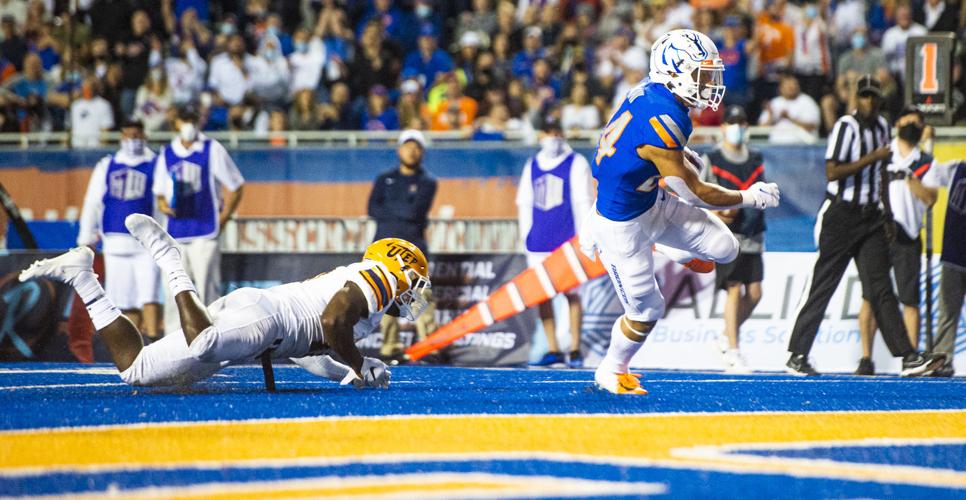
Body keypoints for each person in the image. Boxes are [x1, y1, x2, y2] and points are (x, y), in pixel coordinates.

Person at [580, 29, 781, 395]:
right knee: (647, 310)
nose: (710, 84)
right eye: (702, 75)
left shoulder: (654, 93)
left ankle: (667, 246)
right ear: (674, 72)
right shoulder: (666, 114)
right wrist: (749, 197)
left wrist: (668, 158)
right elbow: (696, 193)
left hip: (648, 200)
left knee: (726, 249)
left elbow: (635, 145)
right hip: (621, 227)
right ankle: (611, 370)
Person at [20, 214, 431, 389]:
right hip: (266, 319)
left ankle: (82, 277)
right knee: (204, 343)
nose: (416, 291)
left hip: (263, 330)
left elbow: (312, 350)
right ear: (396, 266)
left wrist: (347, 373)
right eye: (415, 279)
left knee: (136, 371)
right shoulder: (375, 279)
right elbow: (331, 324)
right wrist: (358, 363)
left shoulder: (368, 311)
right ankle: (170, 258)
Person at [786, 75, 941, 377]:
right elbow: (832, 172)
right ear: (857, 99)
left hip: (871, 217)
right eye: (864, 97)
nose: (869, 102)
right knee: (824, 285)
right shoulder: (847, 127)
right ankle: (797, 353)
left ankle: (907, 356)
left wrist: (886, 214)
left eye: (873, 97)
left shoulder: (883, 127)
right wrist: (873, 157)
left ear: (880, 100)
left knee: (881, 287)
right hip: (842, 215)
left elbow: (881, 175)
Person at [855, 107, 939, 375]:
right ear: (898, 122)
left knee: (909, 299)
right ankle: (866, 357)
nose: (911, 124)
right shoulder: (883, 153)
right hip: (877, 231)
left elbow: (931, 198)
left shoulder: (925, 160)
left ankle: (911, 358)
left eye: (917, 121)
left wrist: (914, 183)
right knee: (871, 297)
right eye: (907, 119)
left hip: (908, 235)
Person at [154, 106, 245, 333]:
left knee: (207, 291)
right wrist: (165, 206)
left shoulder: (211, 149)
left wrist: (223, 219)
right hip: (176, 231)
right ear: (176, 123)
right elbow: (160, 194)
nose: (188, 126)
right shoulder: (166, 153)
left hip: (205, 230)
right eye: (184, 120)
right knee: (174, 290)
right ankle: (173, 341)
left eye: (192, 120)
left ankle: (214, 337)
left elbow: (236, 185)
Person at [517, 115, 594, 368]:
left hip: (567, 241)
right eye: (548, 131)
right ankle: (552, 348)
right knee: (543, 296)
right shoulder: (532, 164)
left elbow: (583, 201)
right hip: (538, 243)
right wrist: (526, 237)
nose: (553, 136)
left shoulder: (576, 162)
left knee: (572, 294)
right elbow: (525, 203)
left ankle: (574, 349)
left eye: (557, 130)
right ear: (541, 134)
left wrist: (583, 238)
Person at [76, 120, 161, 340]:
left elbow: (162, 202)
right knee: (124, 300)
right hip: (115, 242)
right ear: (121, 137)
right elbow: (93, 202)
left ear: (145, 136)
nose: (132, 140)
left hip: (146, 243)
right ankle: (134, 349)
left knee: (150, 295)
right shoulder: (107, 165)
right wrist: (86, 235)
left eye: (137, 134)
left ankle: (152, 340)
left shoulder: (156, 163)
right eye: (128, 135)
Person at [700, 106, 766, 374]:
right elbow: (700, 194)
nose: (736, 128)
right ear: (724, 127)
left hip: (752, 231)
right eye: (732, 123)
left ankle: (728, 337)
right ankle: (735, 352)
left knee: (755, 293)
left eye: (741, 122)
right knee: (734, 288)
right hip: (727, 234)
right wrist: (718, 214)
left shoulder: (755, 158)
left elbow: (760, 190)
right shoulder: (713, 158)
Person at [367, 130, 438, 361]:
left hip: (413, 249)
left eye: (417, 147)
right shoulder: (383, 178)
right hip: (384, 249)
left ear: (423, 152)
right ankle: (390, 347)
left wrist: (391, 209)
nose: (412, 151)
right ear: (399, 150)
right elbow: (372, 209)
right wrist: (400, 209)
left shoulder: (428, 182)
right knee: (386, 299)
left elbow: (414, 211)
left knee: (420, 296)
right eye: (408, 146)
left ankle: (428, 346)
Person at [930, 160, 966, 377]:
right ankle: (942, 359)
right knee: (947, 312)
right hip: (953, 254)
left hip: (953, 253)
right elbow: (928, 175)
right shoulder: (956, 169)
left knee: (947, 312)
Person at [758, 73, 821, 144]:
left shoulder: (807, 101)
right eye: (788, 85)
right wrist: (771, 116)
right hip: (775, 146)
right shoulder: (774, 103)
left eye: (794, 85)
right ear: (780, 88)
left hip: (801, 146)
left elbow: (811, 126)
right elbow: (761, 130)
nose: (792, 87)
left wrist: (789, 118)